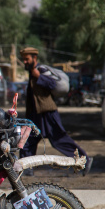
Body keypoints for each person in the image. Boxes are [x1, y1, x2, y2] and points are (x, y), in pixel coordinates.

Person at [19, 47, 93, 176]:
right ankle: (25, 167)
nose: (25, 62)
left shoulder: (41, 70)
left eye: (27, 59)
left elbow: (52, 84)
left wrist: (39, 77)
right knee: (28, 140)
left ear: (34, 58)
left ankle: (84, 160)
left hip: (48, 113)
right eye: (23, 59)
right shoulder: (32, 72)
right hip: (35, 115)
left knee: (59, 139)